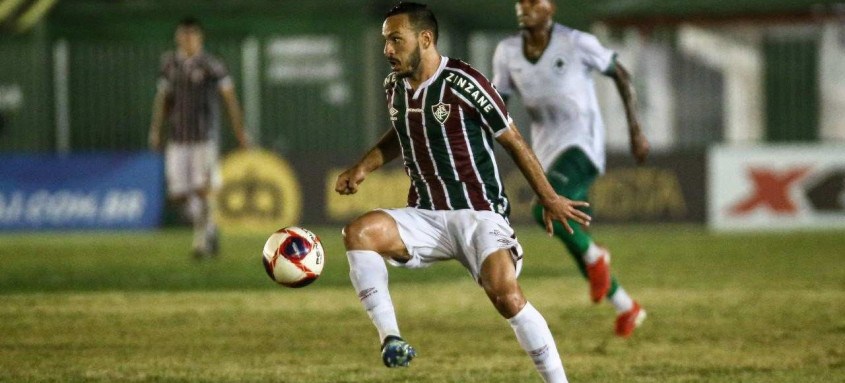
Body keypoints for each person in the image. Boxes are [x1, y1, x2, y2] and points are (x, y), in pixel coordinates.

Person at [335, 3, 591, 382]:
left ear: (425, 39)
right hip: (425, 214)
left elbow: (514, 141)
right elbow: (401, 133)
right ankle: (391, 338)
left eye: (395, 40)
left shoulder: (463, 81)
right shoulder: (394, 86)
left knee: (505, 295)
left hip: (479, 213)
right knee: (358, 233)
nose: (387, 49)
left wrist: (549, 196)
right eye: (385, 41)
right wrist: (363, 167)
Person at [492, 0, 650, 337]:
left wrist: (636, 130)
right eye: (521, 1)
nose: (524, 6)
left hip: (583, 145)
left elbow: (620, 73)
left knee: (543, 209)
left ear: (551, 8)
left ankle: (596, 256)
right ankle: (626, 306)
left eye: (534, 1)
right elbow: (498, 105)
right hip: (546, 151)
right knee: (566, 224)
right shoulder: (506, 51)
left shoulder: (577, 42)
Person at [148, 17, 249, 259]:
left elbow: (228, 98)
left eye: (192, 35)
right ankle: (210, 228)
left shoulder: (212, 64)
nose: (187, 40)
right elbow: (163, 99)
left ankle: (201, 242)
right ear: (177, 38)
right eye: (183, 36)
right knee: (179, 195)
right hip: (177, 138)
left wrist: (239, 129)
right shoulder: (169, 64)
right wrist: (155, 129)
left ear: (199, 38)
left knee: (204, 190)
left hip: (204, 138)